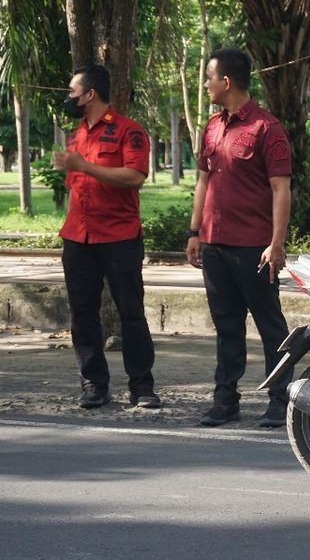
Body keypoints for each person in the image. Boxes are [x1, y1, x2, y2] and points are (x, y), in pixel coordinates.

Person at [185, 48, 293, 428]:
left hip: (254, 248)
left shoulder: (267, 128)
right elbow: (203, 181)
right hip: (214, 244)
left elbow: (281, 190)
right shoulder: (212, 127)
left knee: (270, 326)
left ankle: (281, 401)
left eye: (209, 78)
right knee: (226, 325)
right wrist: (195, 232)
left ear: (226, 81)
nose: (206, 85)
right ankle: (225, 400)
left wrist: (276, 244)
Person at [53, 65, 160, 410]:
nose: (69, 98)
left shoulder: (130, 132)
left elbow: (134, 177)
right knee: (82, 314)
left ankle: (142, 388)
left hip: (119, 238)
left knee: (131, 313)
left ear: (90, 94)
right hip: (78, 238)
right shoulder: (75, 136)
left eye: (72, 92)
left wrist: (84, 166)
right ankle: (93, 385)